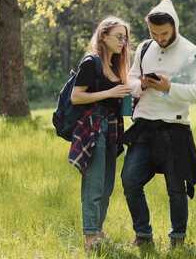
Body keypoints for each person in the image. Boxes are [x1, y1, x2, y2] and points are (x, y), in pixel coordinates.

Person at [121, 0, 196, 248]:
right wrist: (143, 85)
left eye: (164, 33)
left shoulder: (191, 52)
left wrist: (170, 87)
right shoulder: (144, 48)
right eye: (154, 32)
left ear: (175, 27)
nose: (159, 38)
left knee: (176, 188)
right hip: (144, 127)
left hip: (175, 128)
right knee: (130, 180)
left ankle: (177, 240)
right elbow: (130, 80)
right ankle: (143, 235)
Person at [70, 16, 132, 251]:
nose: (123, 42)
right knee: (94, 184)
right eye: (118, 37)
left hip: (113, 128)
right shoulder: (91, 62)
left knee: (107, 186)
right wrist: (110, 93)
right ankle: (89, 237)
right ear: (103, 36)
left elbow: (118, 95)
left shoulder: (117, 65)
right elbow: (77, 97)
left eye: (125, 38)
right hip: (94, 129)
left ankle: (98, 230)